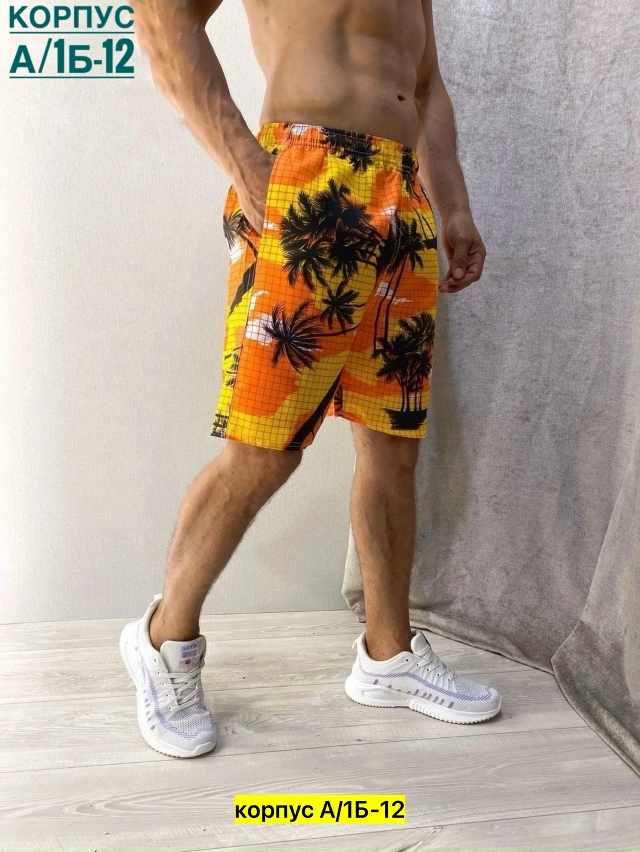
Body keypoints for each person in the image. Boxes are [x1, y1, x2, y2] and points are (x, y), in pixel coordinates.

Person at [119, 0, 499, 759]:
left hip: (402, 196)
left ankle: (388, 656)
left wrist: (453, 206)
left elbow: (426, 89)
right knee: (263, 448)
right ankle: (164, 639)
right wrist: (245, 160)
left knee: (393, 446)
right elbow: (160, 18)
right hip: (305, 177)